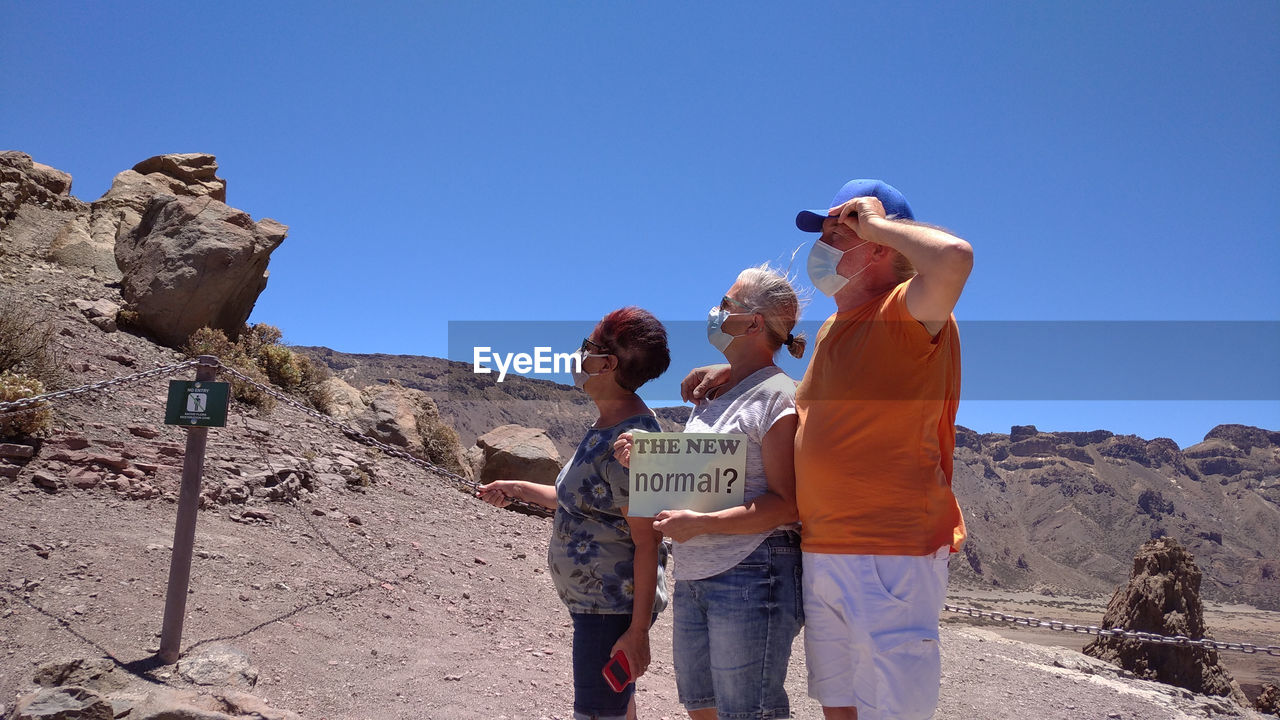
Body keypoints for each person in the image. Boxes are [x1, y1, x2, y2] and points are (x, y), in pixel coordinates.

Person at [683, 180, 973, 720]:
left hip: (891, 550)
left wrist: (876, 220)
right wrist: (740, 371)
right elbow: (819, 415)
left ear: (883, 246)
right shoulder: (835, 328)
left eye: (841, 232)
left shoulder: (909, 312)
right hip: (824, 548)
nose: (824, 245)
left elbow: (955, 258)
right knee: (837, 707)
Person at [614, 264, 806, 720]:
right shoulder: (713, 395)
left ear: (754, 323)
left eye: (727, 305)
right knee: (702, 707)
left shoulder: (778, 396)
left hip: (753, 570)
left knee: (749, 711)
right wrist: (651, 458)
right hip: (697, 572)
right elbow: (703, 477)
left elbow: (786, 503)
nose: (716, 313)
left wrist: (701, 524)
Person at [478, 307, 671, 720]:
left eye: (588, 347)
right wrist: (516, 487)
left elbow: (647, 540)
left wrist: (637, 634)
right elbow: (578, 500)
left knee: (599, 712)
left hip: (610, 609)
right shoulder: (607, 424)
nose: (579, 355)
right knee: (619, 708)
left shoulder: (630, 442)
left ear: (608, 363)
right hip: (595, 604)